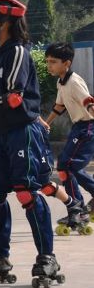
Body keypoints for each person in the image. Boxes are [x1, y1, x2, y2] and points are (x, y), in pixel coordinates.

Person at [0, 0, 65, 288]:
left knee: (26, 192)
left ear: (4, 22)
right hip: (1, 133)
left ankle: (48, 257)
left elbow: (14, 97)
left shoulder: (17, 52)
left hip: (23, 131)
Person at [43, 42, 94, 228]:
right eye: (47, 61)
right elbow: (59, 107)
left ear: (67, 63)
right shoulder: (61, 82)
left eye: (53, 61)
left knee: (66, 166)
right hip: (79, 128)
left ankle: (78, 210)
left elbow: (88, 102)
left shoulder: (74, 81)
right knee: (68, 167)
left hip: (88, 127)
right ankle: (78, 209)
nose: (49, 65)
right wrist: (45, 124)